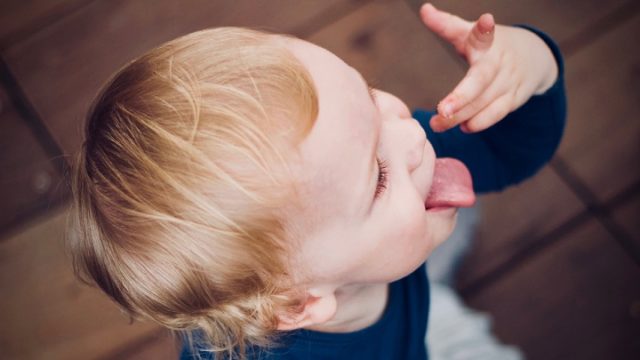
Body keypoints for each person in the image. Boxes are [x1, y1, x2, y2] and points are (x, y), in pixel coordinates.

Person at [68, 2, 565, 359]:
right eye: (379, 176)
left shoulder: (350, 176)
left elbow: (504, 153)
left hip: (386, 284)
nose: (412, 134)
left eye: (370, 96)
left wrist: (533, 67)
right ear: (299, 303)